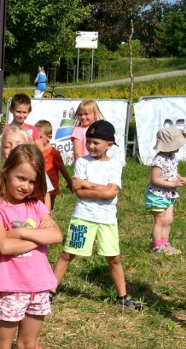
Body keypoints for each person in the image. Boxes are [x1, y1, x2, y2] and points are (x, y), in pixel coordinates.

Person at [0, 126, 53, 349]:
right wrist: (37, 236)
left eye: (31, 181)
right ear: (7, 172)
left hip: (39, 287)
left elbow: (56, 235)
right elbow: (5, 246)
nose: (26, 186)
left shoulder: (37, 205)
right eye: (21, 178)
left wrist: (20, 233)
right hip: (10, 288)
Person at [51, 120, 142, 311]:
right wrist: (99, 189)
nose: (91, 146)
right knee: (68, 254)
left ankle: (122, 297)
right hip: (82, 217)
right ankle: (49, 291)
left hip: (107, 220)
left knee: (114, 258)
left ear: (109, 144)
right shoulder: (82, 162)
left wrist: (88, 184)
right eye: (89, 141)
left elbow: (111, 193)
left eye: (96, 143)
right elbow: (78, 190)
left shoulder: (115, 165)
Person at [145, 126, 186, 254]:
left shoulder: (172, 157)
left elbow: (172, 172)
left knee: (169, 220)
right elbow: (155, 179)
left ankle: (165, 244)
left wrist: (180, 178)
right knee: (160, 220)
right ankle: (157, 247)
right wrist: (173, 183)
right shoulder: (159, 159)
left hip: (169, 194)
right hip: (157, 194)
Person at [35, 120, 74, 210]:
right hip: (36, 188)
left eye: (40, 137)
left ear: (49, 137)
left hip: (50, 189)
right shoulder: (34, 151)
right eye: (35, 137)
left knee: (45, 211)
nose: (36, 140)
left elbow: (62, 169)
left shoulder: (53, 153)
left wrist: (70, 182)